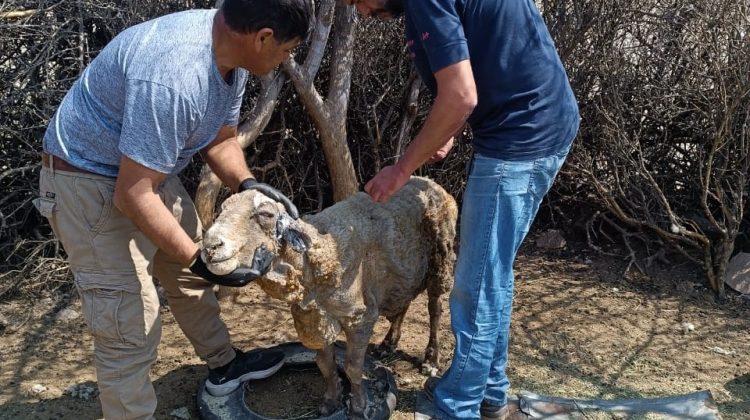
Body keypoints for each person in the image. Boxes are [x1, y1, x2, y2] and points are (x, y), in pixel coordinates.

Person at [33, 0, 313, 417]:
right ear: (263, 37)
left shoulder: (231, 58)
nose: (286, 58)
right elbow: (132, 195)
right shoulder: (176, 76)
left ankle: (225, 362)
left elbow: (219, 137)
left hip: (146, 172)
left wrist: (249, 184)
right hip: (87, 180)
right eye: (288, 49)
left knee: (192, 275)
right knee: (129, 324)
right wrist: (196, 260)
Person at [349, 0, 580, 418]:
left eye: (355, 1)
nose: (361, 13)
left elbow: (460, 95)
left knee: (476, 286)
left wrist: (401, 170)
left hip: (521, 138)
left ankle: (458, 405)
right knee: (492, 274)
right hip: (532, 126)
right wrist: (448, 126)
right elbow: (466, 80)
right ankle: (490, 392)